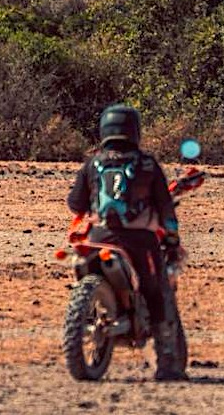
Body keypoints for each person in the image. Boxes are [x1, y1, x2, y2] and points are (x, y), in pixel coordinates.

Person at [67, 103, 188, 382]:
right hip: (138, 242)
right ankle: (167, 363)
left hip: (98, 239)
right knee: (155, 291)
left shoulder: (92, 164)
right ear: (135, 130)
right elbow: (166, 208)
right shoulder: (146, 164)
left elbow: (76, 204)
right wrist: (171, 238)